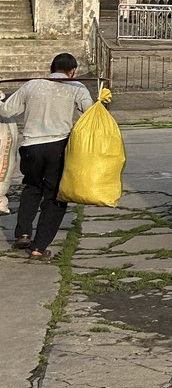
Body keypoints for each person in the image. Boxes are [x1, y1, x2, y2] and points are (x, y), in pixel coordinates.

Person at [2, 53, 92, 259]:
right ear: (72, 71)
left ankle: (23, 232)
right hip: (58, 147)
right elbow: (90, 113)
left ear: (50, 69)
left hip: (31, 147)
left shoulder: (32, 85)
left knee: (32, 187)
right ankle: (38, 247)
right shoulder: (77, 87)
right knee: (55, 196)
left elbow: (7, 111)